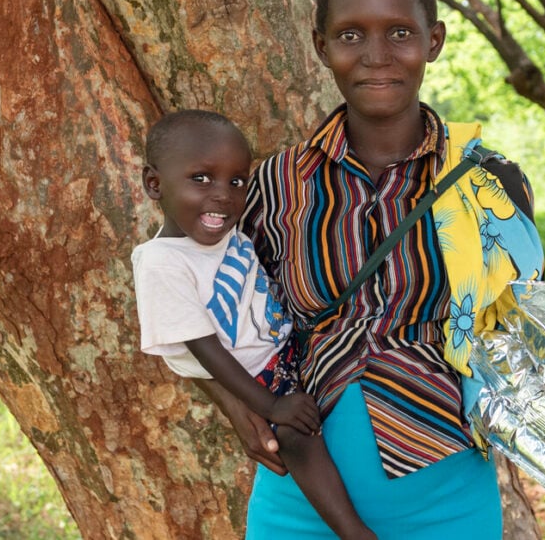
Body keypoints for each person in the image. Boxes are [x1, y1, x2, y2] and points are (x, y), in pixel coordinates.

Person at [194, 0, 545, 539]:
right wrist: (231, 400)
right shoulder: (274, 185)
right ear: (322, 46)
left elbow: (523, 343)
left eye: (400, 32)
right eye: (351, 34)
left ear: (435, 40)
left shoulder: (490, 185)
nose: (376, 56)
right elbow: (192, 301)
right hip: (299, 505)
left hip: (447, 504)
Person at [131, 109, 377, 540]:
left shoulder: (228, 233)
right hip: (257, 375)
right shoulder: (161, 262)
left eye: (236, 181)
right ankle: (353, 530)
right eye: (201, 179)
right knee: (294, 437)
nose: (223, 195)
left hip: (287, 350)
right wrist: (269, 405)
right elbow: (204, 350)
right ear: (155, 184)